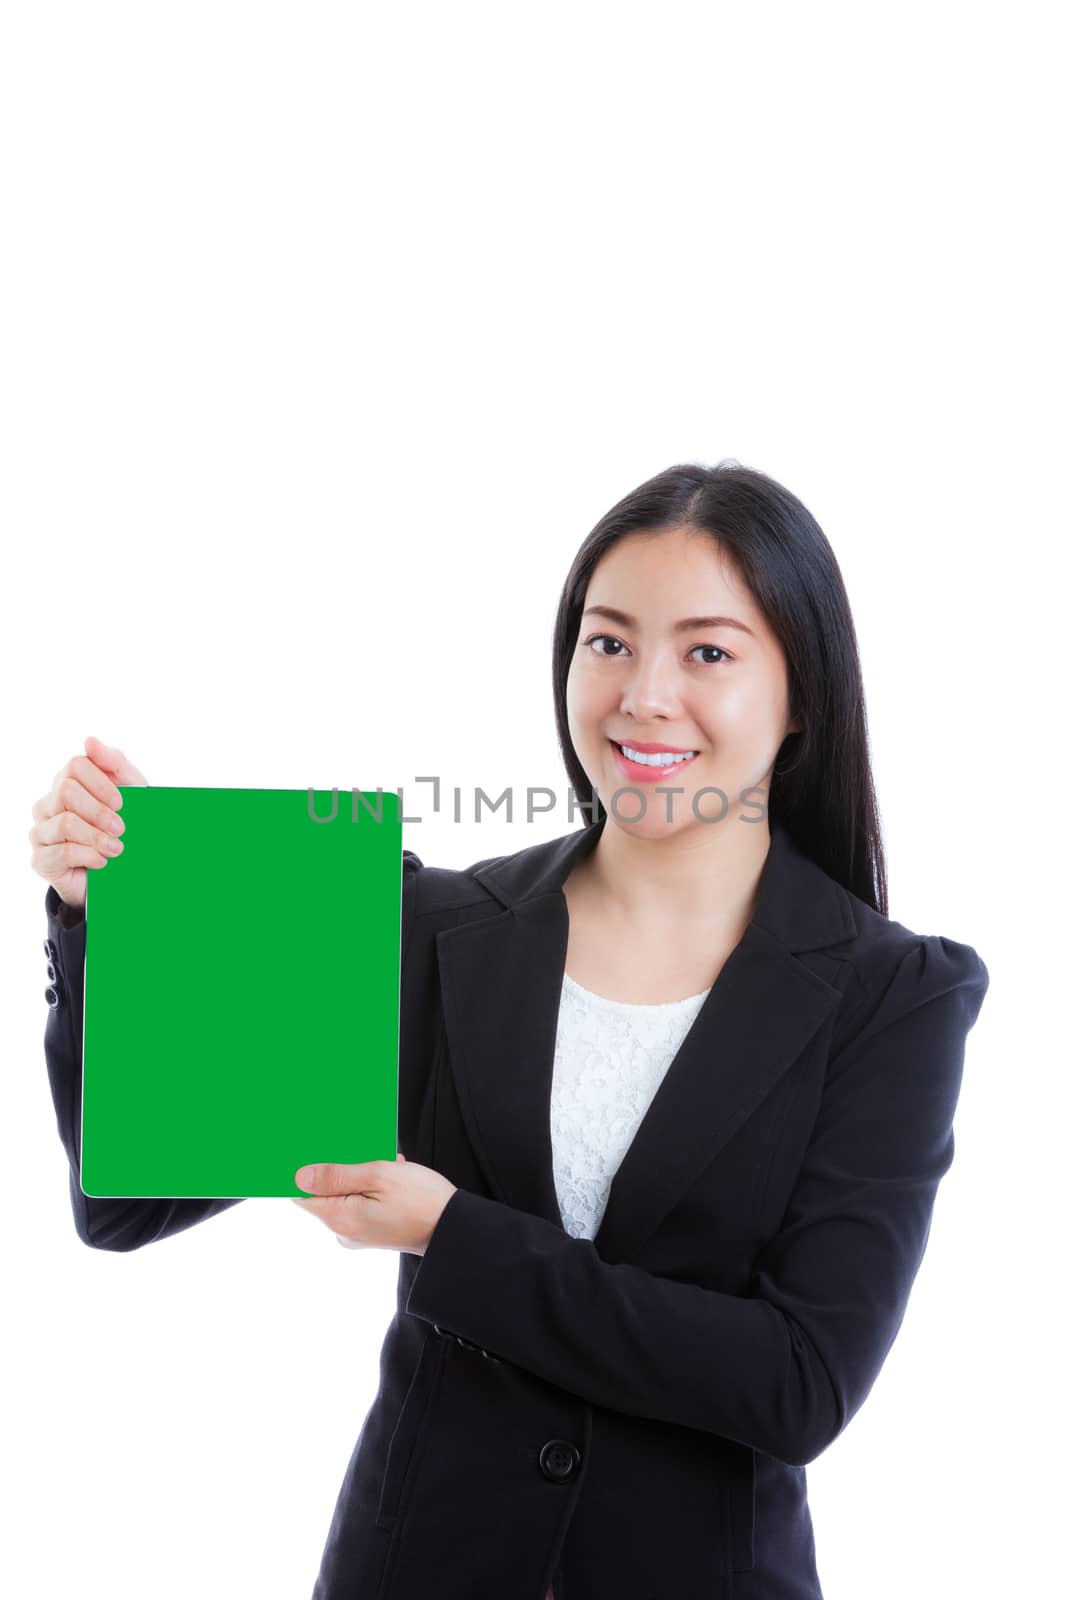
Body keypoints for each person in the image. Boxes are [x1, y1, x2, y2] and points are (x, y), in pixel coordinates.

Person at [30, 461, 990, 1598]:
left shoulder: (892, 995)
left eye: (708, 651)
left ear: (802, 694)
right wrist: (117, 919)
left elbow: (794, 1383)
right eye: (608, 641)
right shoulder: (420, 924)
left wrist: (454, 1234)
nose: (643, 695)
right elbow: (126, 1202)